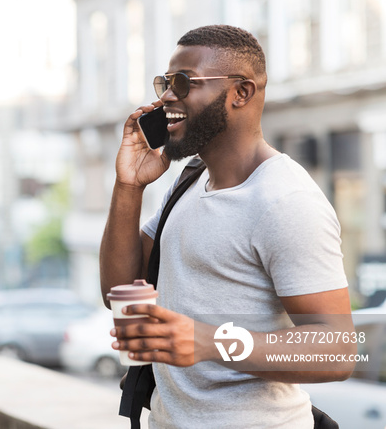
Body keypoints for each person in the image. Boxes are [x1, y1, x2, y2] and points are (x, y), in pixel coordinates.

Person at [99, 25, 354, 428]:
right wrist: (128, 186)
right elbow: (118, 291)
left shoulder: (284, 200)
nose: (167, 96)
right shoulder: (190, 181)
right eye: (165, 82)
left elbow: (337, 350)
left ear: (241, 92)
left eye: (184, 83)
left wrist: (212, 342)